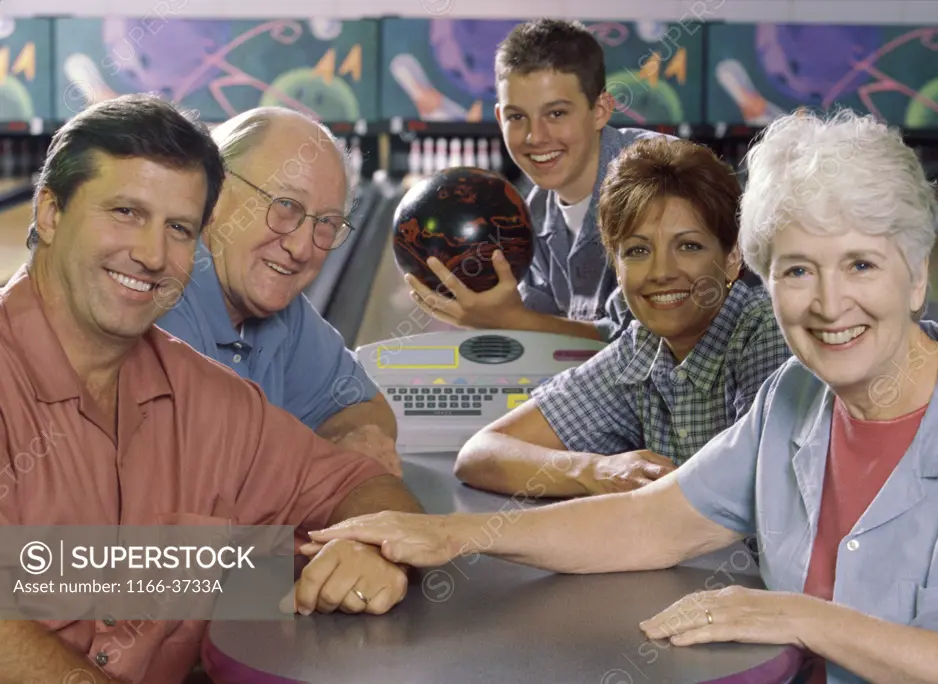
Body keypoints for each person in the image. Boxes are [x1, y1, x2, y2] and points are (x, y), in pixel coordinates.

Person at [305, 109, 938, 684]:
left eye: (861, 264)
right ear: (767, 282)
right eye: (799, 271)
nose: (831, 303)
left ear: (918, 276)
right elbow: (651, 522)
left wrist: (808, 619)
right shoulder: (792, 401)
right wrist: (452, 536)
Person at [0, 95, 422, 684]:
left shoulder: (209, 401)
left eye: (177, 228)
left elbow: (366, 487)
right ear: (47, 213)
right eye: (124, 211)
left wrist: (370, 548)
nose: (150, 255)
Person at [453, 138, 790, 497]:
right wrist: (598, 470)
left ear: (732, 258)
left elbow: (750, 500)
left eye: (688, 246)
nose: (661, 272)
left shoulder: (765, 331)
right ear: (617, 266)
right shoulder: (641, 351)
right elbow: (480, 454)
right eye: (638, 250)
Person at [156, 107, 401, 476]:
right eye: (285, 206)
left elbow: (368, 411)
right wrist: (329, 468)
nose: (303, 248)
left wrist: (349, 442)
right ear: (213, 194)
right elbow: (208, 480)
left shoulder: (284, 313)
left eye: (327, 224)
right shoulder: (156, 301)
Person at [406, 18, 670, 343]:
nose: (535, 137)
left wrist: (512, 320)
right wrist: (501, 317)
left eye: (556, 113)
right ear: (501, 118)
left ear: (601, 110)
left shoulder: (663, 181)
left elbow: (652, 346)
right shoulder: (532, 215)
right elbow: (548, 342)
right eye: (517, 117)